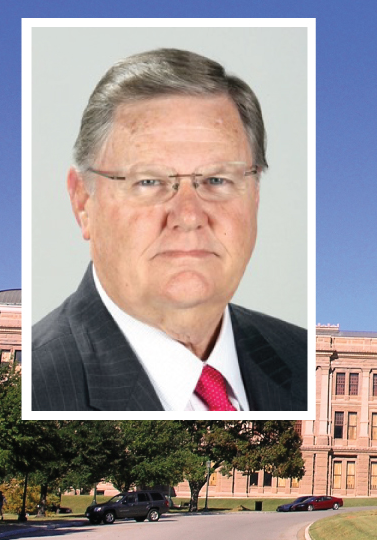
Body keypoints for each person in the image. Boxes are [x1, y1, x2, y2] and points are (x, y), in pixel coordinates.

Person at [32, 48, 307, 411]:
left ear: (254, 196)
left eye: (216, 178)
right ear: (84, 202)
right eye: (149, 180)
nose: (189, 214)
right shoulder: (42, 385)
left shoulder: (300, 357)